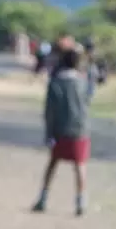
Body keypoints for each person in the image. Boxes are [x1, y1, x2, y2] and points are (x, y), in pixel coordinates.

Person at [31, 48, 91, 217]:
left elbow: (49, 111)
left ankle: (43, 198)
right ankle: (81, 201)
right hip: (80, 129)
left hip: (60, 130)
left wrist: (49, 133)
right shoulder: (82, 82)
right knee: (80, 166)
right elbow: (87, 103)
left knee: (53, 163)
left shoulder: (56, 83)